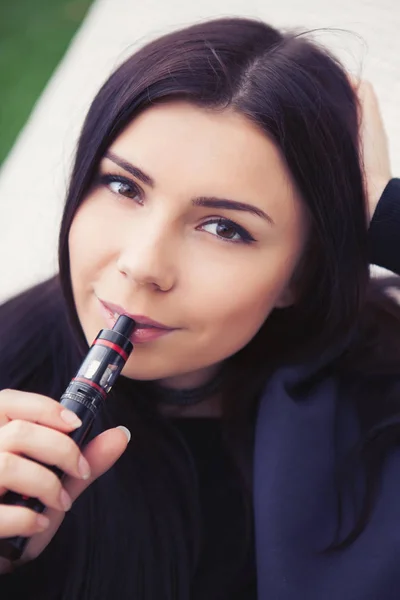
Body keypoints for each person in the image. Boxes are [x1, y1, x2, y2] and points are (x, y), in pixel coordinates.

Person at [0, 17, 399, 600]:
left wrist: (384, 214)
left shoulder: (379, 399)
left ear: (302, 272)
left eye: (224, 227)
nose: (142, 264)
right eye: (123, 187)